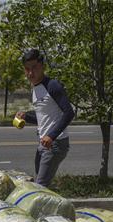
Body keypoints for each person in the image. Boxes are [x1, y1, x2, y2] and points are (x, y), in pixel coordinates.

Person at [15, 49, 76, 187]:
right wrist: (26, 116)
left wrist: (52, 136)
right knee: (41, 185)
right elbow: (42, 117)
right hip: (43, 144)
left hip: (56, 144)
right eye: (27, 69)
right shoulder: (36, 88)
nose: (30, 73)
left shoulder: (52, 85)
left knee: (40, 187)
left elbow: (69, 113)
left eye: (34, 68)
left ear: (42, 66)